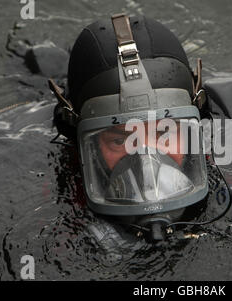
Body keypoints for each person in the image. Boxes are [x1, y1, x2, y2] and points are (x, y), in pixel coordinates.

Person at [49, 13, 219, 241]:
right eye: (120, 140)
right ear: (83, 146)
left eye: (165, 133)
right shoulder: (59, 196)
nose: (146, 161)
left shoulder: (229, 170)